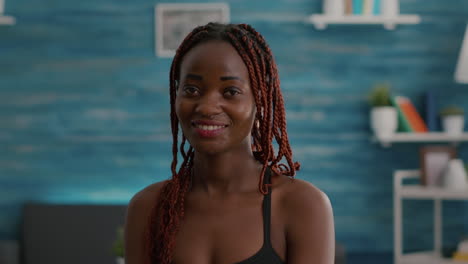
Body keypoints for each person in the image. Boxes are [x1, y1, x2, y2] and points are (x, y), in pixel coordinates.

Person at [124, 22, 335, 264]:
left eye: (230, 91)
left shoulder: (302, 205)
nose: (206, 107)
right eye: (191, 89)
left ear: (261, 100)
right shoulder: (148, 207)